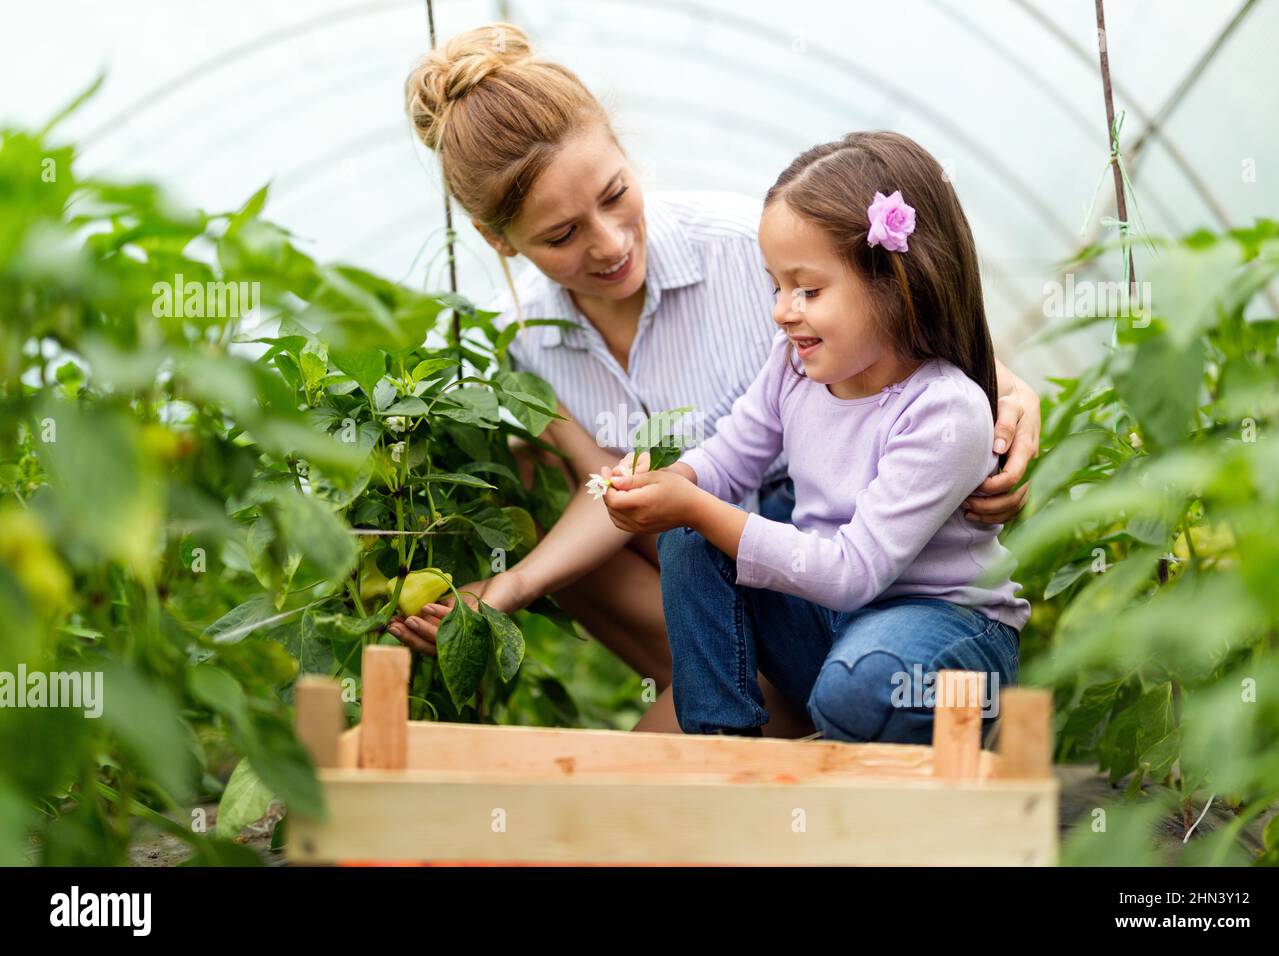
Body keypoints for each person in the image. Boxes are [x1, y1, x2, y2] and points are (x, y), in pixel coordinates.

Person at [389, 23, 1040, 736]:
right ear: (497, 240)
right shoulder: (523, 348)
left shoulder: (747, 250)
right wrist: (512, 581)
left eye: (614, 194)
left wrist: (1010, 398)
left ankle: (825, 718)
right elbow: (709, 465)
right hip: (762, 605)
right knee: (597, 493)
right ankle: (731, 732)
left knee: (850, 667)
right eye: (561, 235)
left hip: (859, 576)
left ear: (628, 158)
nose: (608, 244)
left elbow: (918, 348)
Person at [599, 131, 1030, 742]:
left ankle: (875, 741)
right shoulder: (792, 366)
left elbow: (854, 571)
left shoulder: (944, 410)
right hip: (832, 622)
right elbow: (730, 455)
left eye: (808, 289)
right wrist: (678, 482)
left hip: (940, 632)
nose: (782, 309)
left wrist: (695, 503)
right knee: (688, 538)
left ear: (894, 282)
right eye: (776, 285)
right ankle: (723, 752)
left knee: (862, 683)